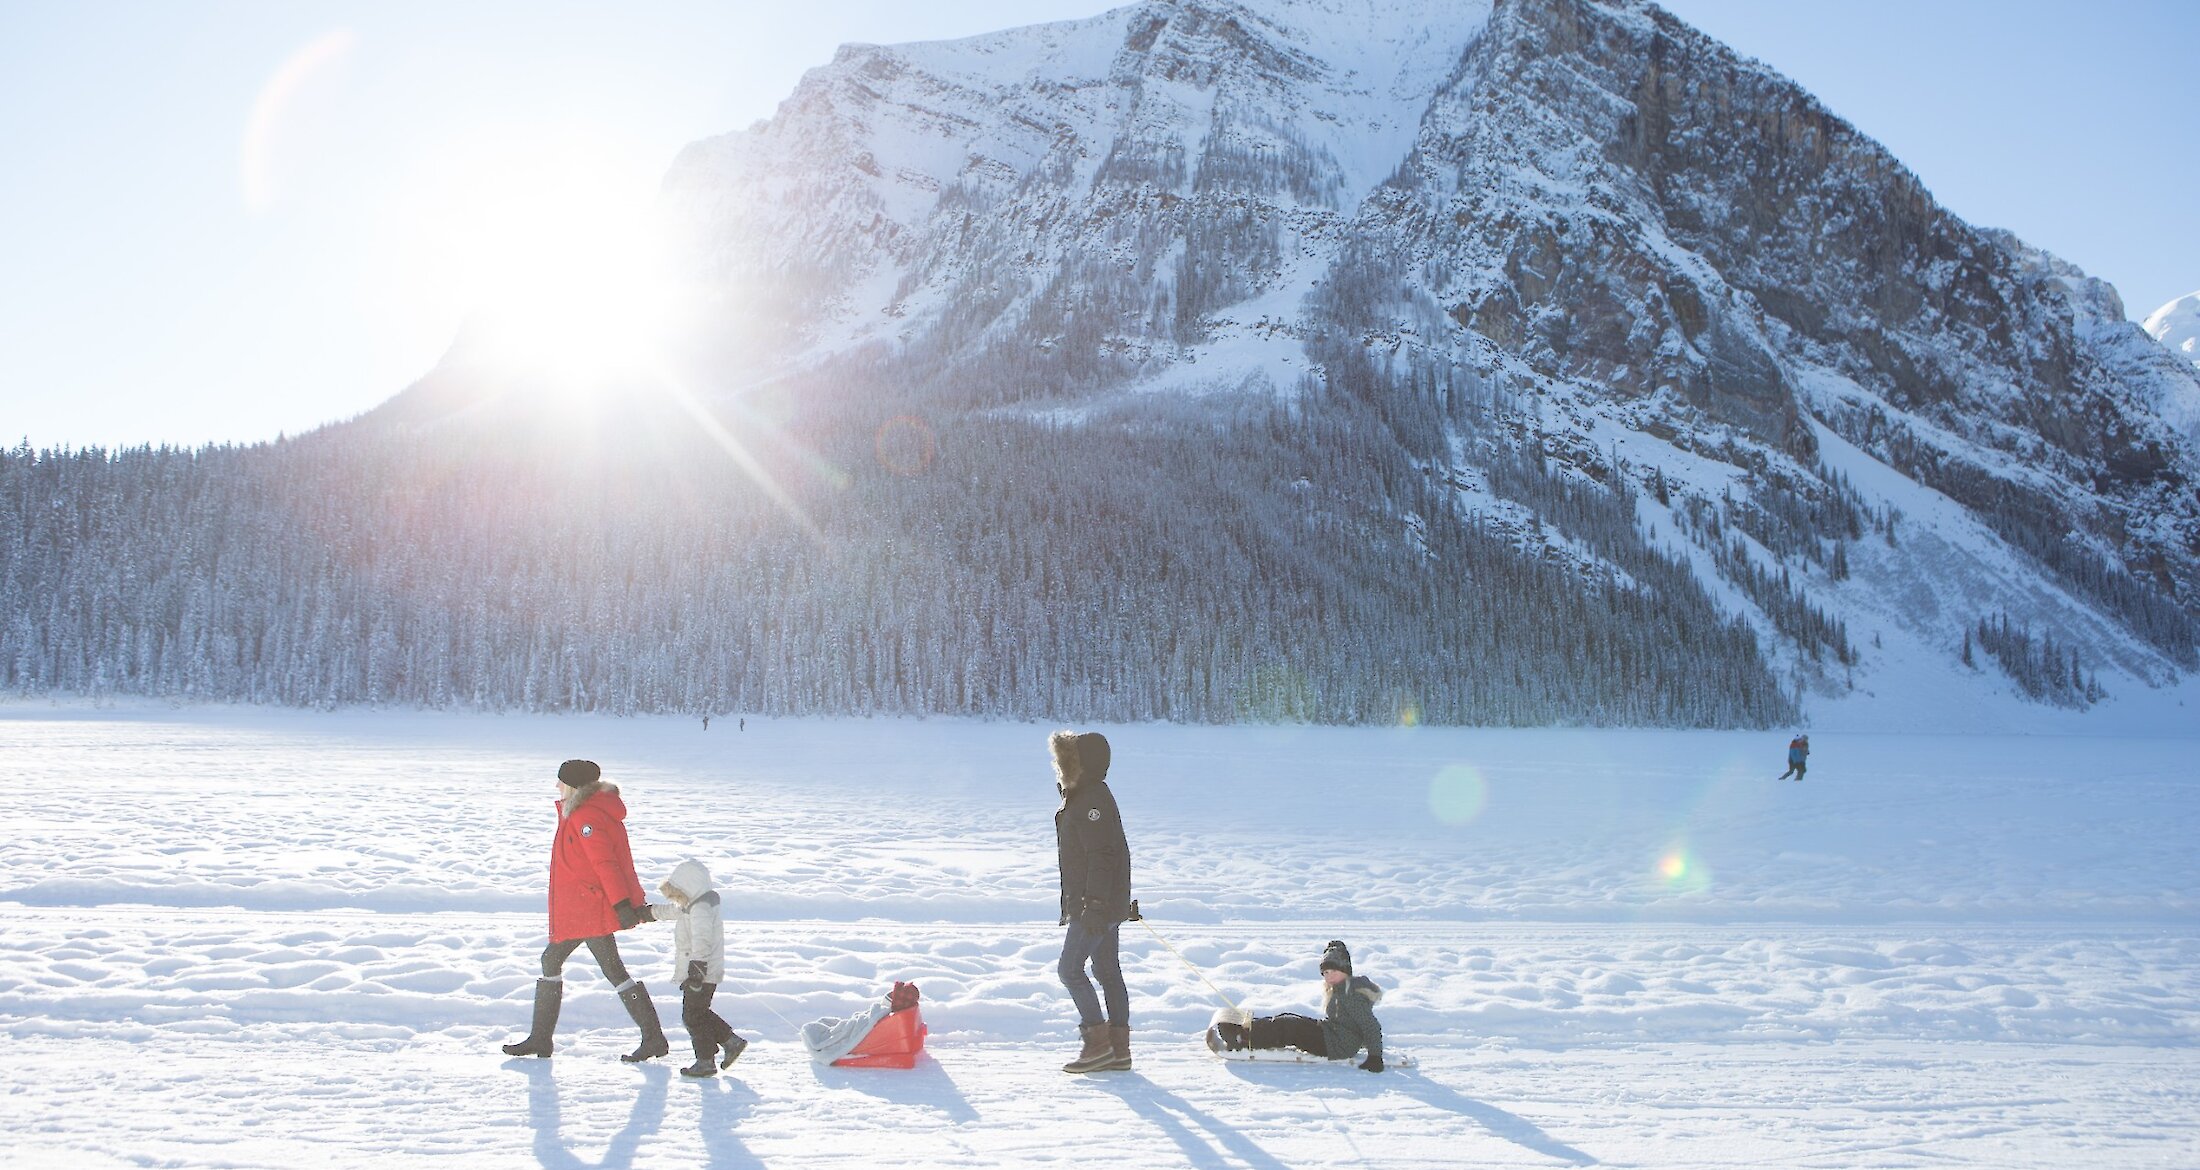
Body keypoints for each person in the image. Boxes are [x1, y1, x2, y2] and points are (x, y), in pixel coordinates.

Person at [500, 759, 669, 1062]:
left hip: (590, 909)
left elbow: (606, 863)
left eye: (561, 781)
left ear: (575, 786)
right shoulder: (584, 812)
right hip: (585, 906)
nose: (556, 787)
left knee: (558, 960)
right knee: (604, 968)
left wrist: (620, 904)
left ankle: (542, 1039)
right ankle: (651, 1038)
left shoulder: (585, 816)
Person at [1053, 729, 1135, 1074]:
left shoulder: (1091, 800)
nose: (1060, 765)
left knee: (1070, 970)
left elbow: (1102, 855)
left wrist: (1096, 904)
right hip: (1102, 902)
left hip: (1096, 905)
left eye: (1068, 759)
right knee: (1105, 969)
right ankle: (1118, 1051)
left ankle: (1098, 1046)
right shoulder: (1087, 794)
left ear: (1082, 764)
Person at [1204, 940, 1387, 1072]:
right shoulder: (1341, 989)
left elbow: (1370, 1025)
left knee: (1290, 1028)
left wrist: (1375, 1057)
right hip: (1332, 1034)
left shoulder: (1351, 994)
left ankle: (1244, 1039)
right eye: (1325, 973)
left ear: (1345, 970)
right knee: (1289, 1019)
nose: (1328, 977)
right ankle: (1249, 1028)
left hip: (1337, 1046)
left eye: (1333, 971)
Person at [646, 858, 746, 1077]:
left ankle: (708, 1059)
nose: (677, 898)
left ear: (689, 885)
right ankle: (726, 1044)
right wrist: (647, 912)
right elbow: (671, 911)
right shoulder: (692, 905)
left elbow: (702, 940)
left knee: (693, 1016)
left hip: (702, 971)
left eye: (678, 892)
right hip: (701, 971)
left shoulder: (700, 908)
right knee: (698, 1013)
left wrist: (697, 969)